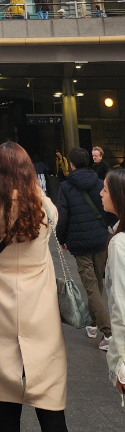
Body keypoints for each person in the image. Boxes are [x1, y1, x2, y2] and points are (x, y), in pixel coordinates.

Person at [0, 141, 69, 432]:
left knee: (5, 401)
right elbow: (53, 216)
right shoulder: (42, 207)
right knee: (49, 399)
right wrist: (31, 184)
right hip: (38, 310)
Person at [56, 146, 111, 348]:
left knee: (91, 286)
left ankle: (108, 332)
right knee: (96, 283)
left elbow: (63, 218)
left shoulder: (66, 187)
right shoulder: (98, 183)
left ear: (71, 164)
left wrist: (61, 238)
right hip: (99, 239)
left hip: (79, 242)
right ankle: (94, 322)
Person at [101, 167, 125, 395]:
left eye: (105, 189)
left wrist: (120, 364)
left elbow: (120, 307)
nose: (101, 193)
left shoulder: (118, 244)